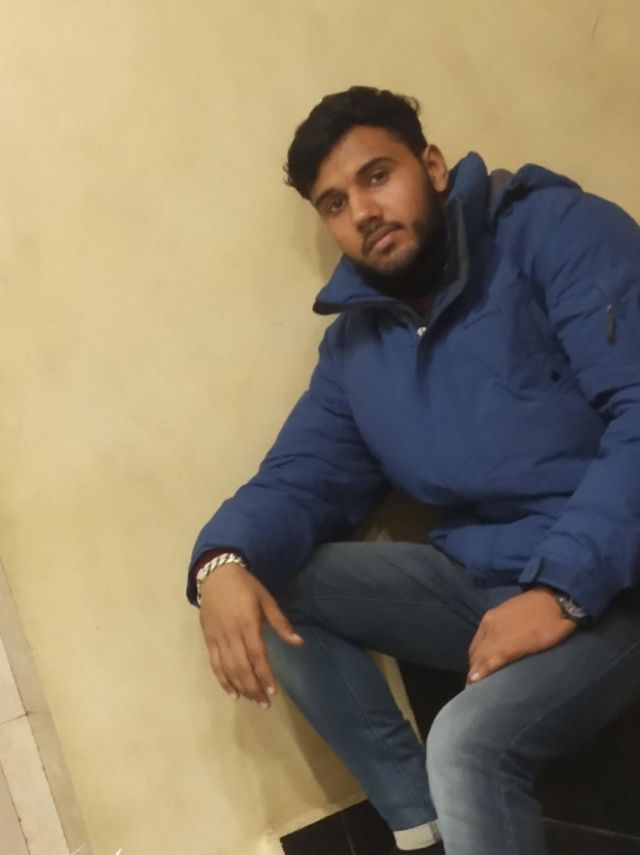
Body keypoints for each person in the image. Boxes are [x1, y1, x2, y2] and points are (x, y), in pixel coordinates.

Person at [188, 86, 640, 855]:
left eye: (376, 176)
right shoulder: (358, 346)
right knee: (271, 580)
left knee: (465, 742)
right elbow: (302, 475)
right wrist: (221, 561)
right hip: (486, 579)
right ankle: (422, 825)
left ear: (431, 166)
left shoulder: (556, 232)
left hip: (614, 586)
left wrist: (561, 589)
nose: (363, 212)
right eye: (335, 203)